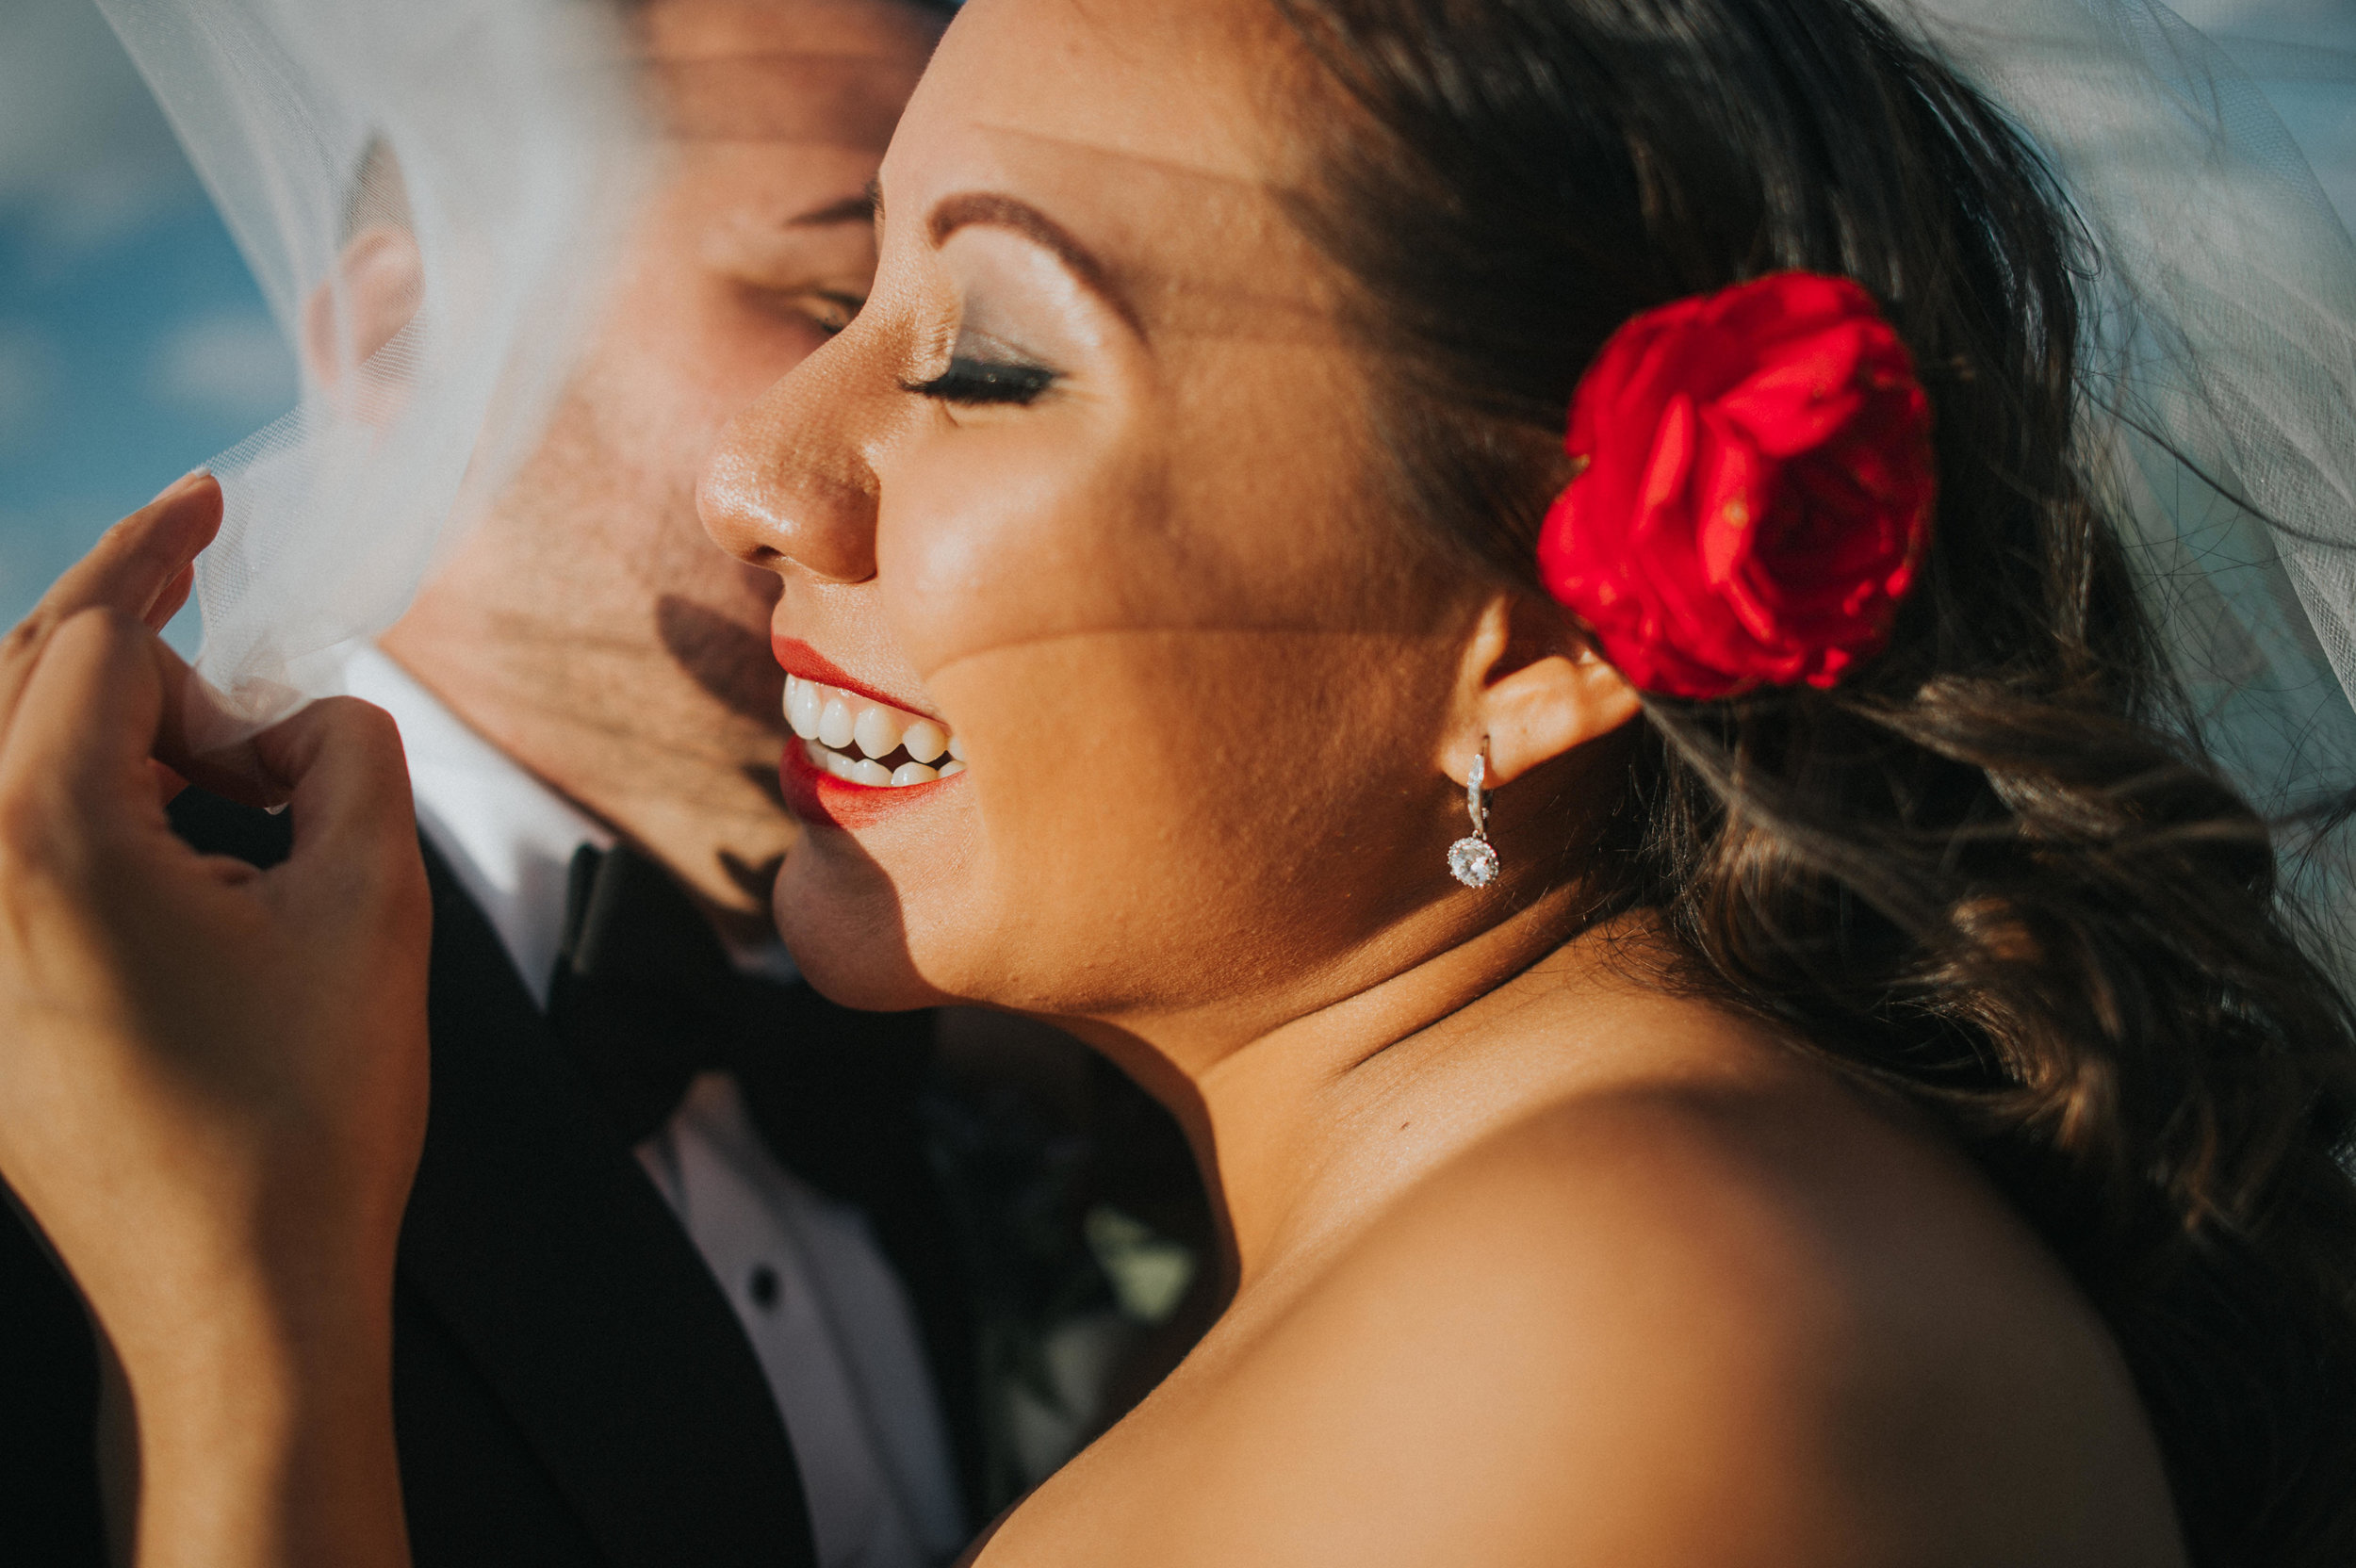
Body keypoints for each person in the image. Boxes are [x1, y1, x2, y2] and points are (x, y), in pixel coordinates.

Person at [4, 0, 2355, 1564]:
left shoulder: (1631, 1315)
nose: (768, 467)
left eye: (988, 358)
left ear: (1534, 635)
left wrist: (225, 1328)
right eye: (838, 290)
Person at [0, 0, 1140, 1562]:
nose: (938, 452)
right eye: (828, 296)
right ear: (405, 336)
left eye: (993, 362)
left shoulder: (1021, 990)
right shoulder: (69, 1044)